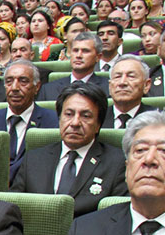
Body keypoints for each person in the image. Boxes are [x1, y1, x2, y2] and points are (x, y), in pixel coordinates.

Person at [12, 83, 127, 217]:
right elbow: (13, 207)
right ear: (59, 119)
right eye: (69, 114)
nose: (75, 123)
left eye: (85, 116)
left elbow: (118, 217)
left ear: (98, 125)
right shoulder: (34, 159)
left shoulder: (117, 163)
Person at [0, 60, 59, 180]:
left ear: (37, 87)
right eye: (9, 81)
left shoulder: (53, 122)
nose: (14, 88)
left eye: (23, 81)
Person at [38, 32, 109, 100]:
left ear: (98, 57)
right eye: (75, 50)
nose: (78, 55)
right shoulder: (48, 89)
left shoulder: (108, 88)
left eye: (85, 51)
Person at [105, 57, 156, 129]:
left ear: (146, 85)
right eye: (117, 77)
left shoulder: (157, 120)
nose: (122, 82)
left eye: (131, 76)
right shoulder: (97, 117)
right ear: (110, 86)